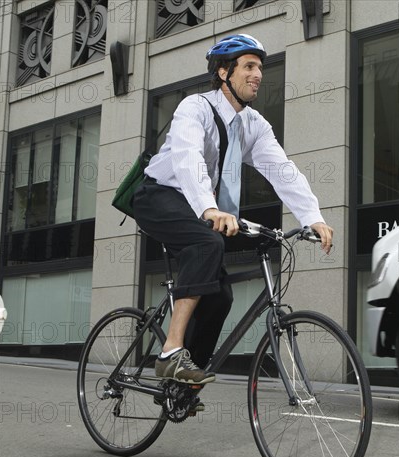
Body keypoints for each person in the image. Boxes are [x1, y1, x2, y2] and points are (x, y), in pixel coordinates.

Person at [133, 34, 333, 385]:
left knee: (221, 296)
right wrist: (210, 210)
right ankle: (169, 352)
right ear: (224, 72)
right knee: (206, 244)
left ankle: (184, 380)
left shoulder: (253, 125)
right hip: (159, 195)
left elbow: (282, 170)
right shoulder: (194, 108)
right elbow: (188, 159)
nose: (258, 74)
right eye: (249, 66)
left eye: (260, 68)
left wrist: (311, 216)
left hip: (198, 206)